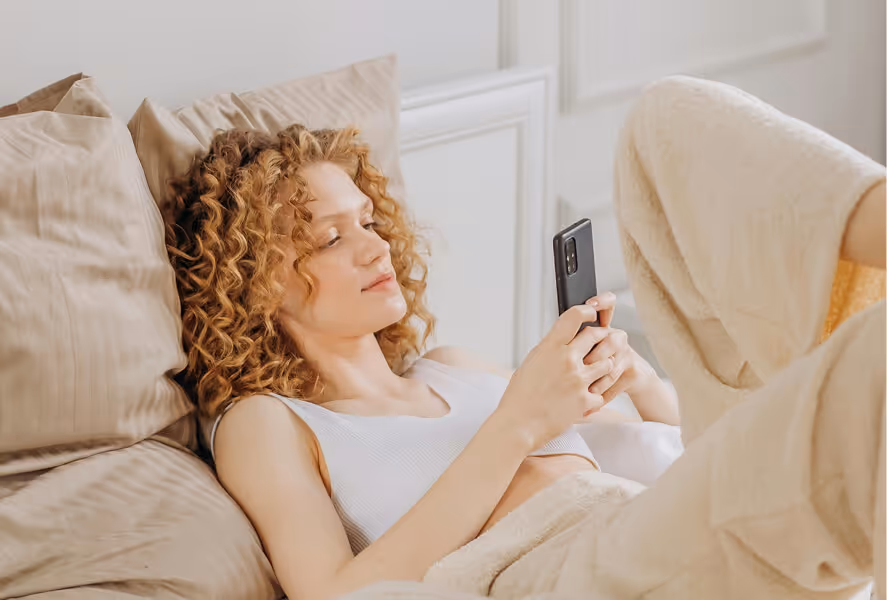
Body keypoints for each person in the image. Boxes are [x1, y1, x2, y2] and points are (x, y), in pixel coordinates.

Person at [163, 124, 680, 600]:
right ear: (255, 282)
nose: (376, 248)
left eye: (368, 222)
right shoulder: (268, 423)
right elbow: (332, 594)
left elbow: (673, 451)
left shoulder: (454, 368)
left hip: (649, 523)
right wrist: (518, 423)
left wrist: (640, 379)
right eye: (332, 238)